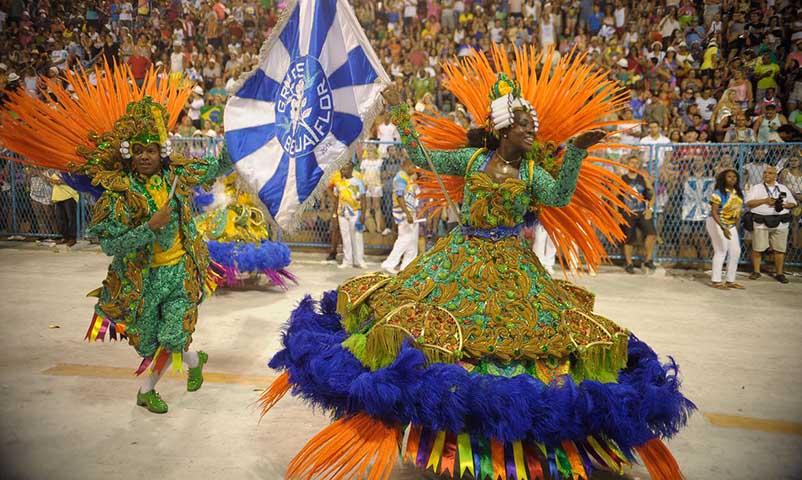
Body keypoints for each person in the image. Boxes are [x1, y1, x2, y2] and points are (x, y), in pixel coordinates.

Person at [259, 50, 692, 480]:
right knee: (426, 328)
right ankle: (437, 424)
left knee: (529, 339)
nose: (531, 134)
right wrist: (401, 113)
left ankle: (506, 438)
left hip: (512, 263)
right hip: (460, 256)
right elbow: (421, 156)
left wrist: (576, 153)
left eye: (533, 127)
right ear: (502, 128)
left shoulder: (529, 174)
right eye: (524, 126)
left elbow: (559, 195)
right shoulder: (469, 161)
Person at [0, 69, 231, 414]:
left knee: (171, 337)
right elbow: (110, 244)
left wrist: (240, 133)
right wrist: (149, 227)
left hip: (181, 273)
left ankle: (147, 390)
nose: (144, 156)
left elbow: (217, 168)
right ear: (128, 153)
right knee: (151, 343)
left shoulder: (178, 174)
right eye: (137, 151)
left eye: (150, 149)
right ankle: (194, 360)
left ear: (161, 150)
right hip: (144, 279)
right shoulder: (119, 193)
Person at [745, 165, 798, 284]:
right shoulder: (756, 188)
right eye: (765, 173)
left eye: (770, 173)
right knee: (757, 248)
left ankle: (780, 273)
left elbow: (793, 203)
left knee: (779, 249)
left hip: (780, 222)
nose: (766, 175)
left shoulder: (782, 188)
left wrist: (783, 205)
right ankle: (756, 271)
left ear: (775, 175)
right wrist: (765, 201)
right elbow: (749, 203)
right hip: (761, 222)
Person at [705, 169, 744, 289]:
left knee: (735, 251)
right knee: (721, 250)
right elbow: (714, 212)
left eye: (734, 177)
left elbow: (737, 211)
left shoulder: (737, 192)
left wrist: (732, 226)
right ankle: (716, 280)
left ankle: (730, 280)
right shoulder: (718, 192)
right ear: (724, 179)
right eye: (729, 177)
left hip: (730, 224)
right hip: (716, 222)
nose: (732, 179)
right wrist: (722, 227)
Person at [620, 154, 657, 273]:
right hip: (628, 212)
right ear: (627, 165)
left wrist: (649, 209)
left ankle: (648, 260)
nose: (634, 165)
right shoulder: (622, 179)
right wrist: (617, 214)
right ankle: (629, 263)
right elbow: (614, 197)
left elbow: (653, 194)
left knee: (651, 233)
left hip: (642, 211)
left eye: (636, 163)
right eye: (632, 163)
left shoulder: (642, 178)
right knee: (629, 239)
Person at [381, 157, 418, 274]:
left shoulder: (407, 177)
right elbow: (399, 196)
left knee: (412, 240)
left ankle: (407, 266)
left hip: (409, 211)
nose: (415, 170)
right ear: (407, 165)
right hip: (403, 212)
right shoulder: (400, 178)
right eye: (413, 167)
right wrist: (407, 213)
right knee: (405, 238)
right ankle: (389, 263)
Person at [333, 162, 367, 269]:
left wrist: (363, 214)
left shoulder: (358, 183)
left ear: (351, 169)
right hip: (342, 213)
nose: (343, 171)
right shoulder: (339, 184)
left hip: (355, 212)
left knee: (357, 236)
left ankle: (359, 260)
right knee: (345, 237)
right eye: (342, 169)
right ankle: (347, 261)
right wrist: (334, 215)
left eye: (345, 169)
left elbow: (364, 199)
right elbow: (336, 200)